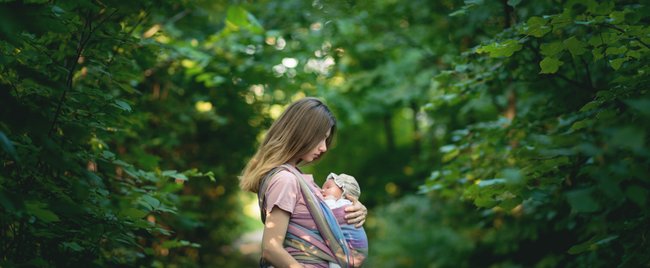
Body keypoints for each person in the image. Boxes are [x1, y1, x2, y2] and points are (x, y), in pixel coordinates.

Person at [240, 97, 368, 268]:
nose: (323, 148)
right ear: (302, 133)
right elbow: (271, 248)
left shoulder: (296, 178)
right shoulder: (285, 179)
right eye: (320, 138)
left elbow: (323, 219)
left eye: (326, 140)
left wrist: (354, 210)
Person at [321, 173, 368, 268]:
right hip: (353, 250)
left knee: (336, 262)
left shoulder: (344, 206)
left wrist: (328, 201)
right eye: (322, 187)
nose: (322, 190)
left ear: (345, 192)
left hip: (354, 249)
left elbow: (329, 214)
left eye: (328, 187)